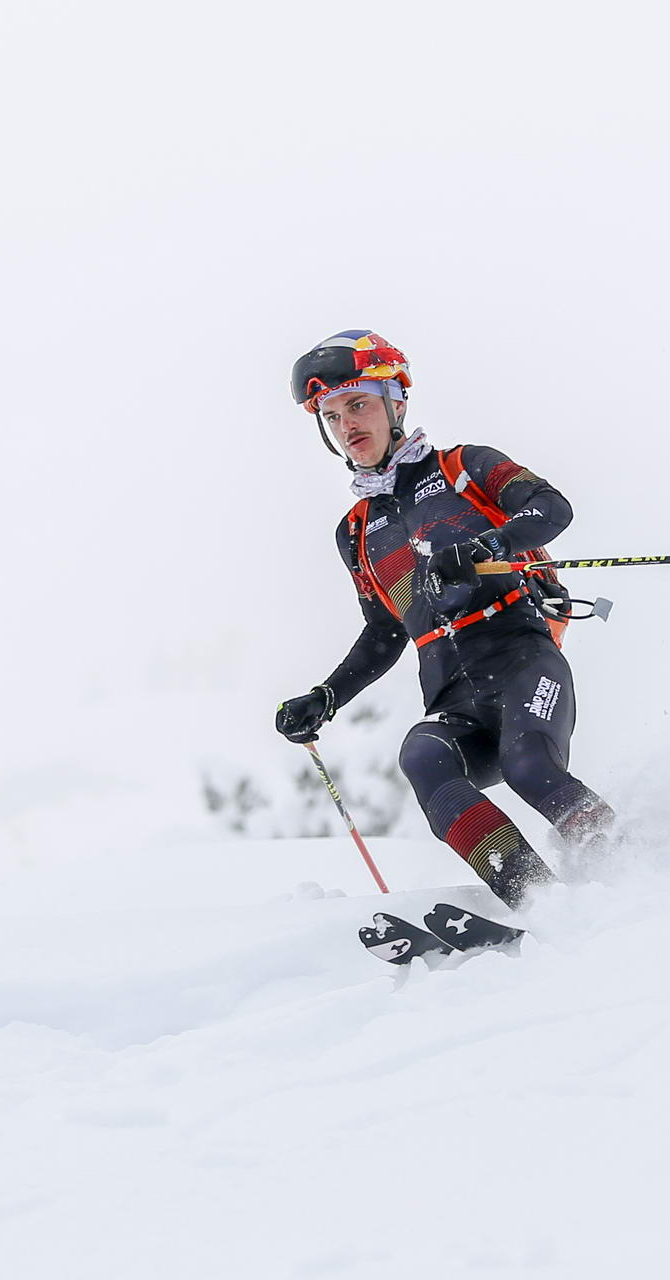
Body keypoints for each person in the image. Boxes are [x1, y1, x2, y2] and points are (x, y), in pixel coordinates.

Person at [274, 330, 614, 909]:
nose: (347, 425)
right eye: (331, 417)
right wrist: (325, 697)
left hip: (522, 660)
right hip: (454, 698)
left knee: (528, 763)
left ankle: (625, 862)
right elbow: (385, 632)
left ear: (395, 402)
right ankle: (537, 900)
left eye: (358, 404)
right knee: (423, 756)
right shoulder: (356, 531)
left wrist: (489, 544)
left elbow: (550, 508)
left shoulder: (464, 468)